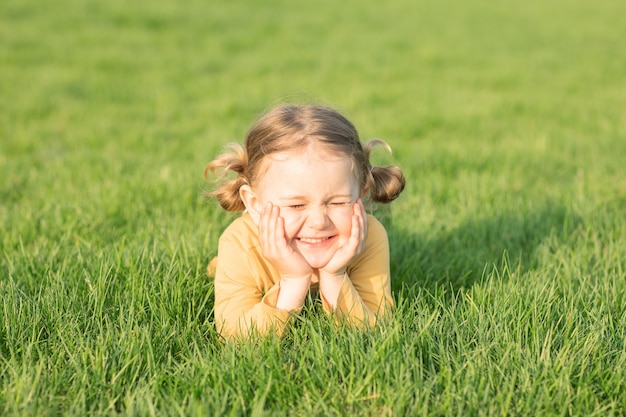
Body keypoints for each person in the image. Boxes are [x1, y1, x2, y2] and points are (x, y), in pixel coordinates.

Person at [205, 104, 405, 339]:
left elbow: (375, 330)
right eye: (296, 205)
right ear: (255, 203)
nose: (319, 222)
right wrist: (293, 281)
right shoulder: (239, 244)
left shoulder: (368, 237)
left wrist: (335, 275)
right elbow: (235, 334)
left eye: (337, 202)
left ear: (360, 195)